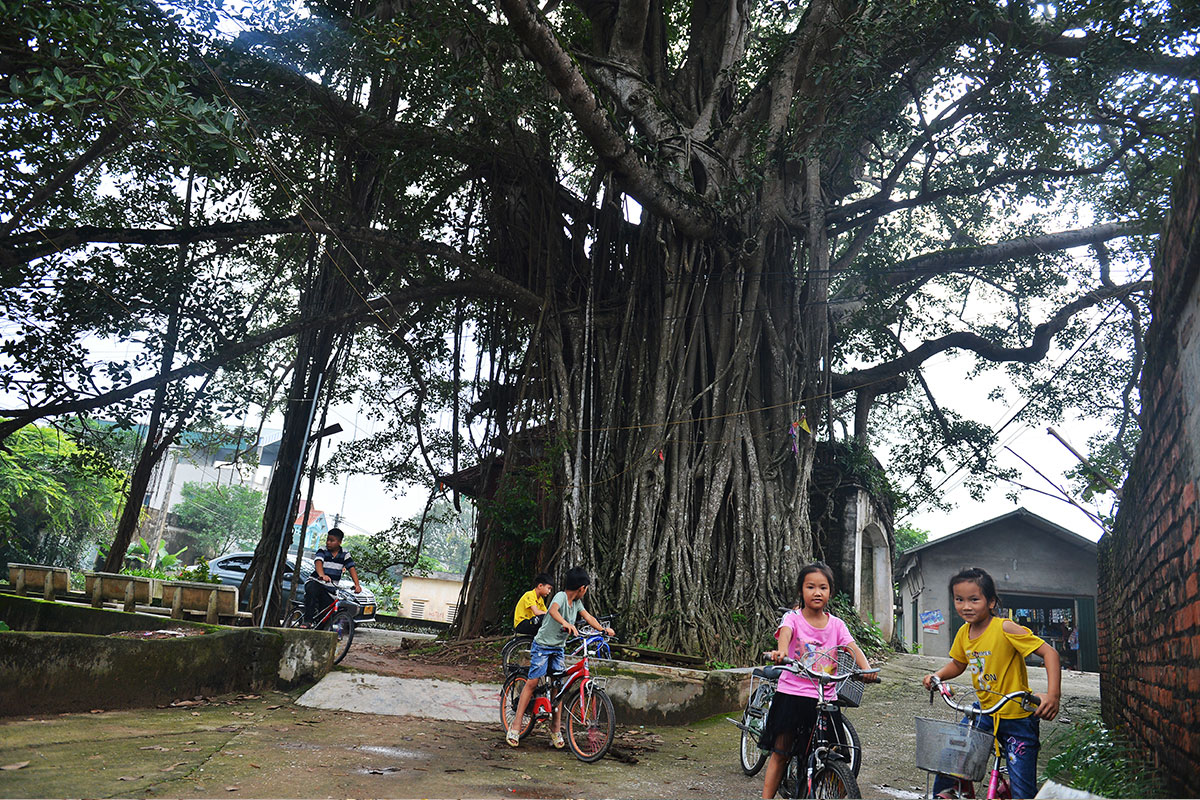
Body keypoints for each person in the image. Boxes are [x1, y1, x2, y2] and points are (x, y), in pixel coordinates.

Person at [922, 567, 1061, 799]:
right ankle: (952, 792)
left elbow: (1050, 654)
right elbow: (958, 663)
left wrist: (1052, 695)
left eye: (974, 599)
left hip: (1017, 717)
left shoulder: (1004, 628)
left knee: (1023, 791)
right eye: (959, 599)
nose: (966, 606)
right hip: (984, 712)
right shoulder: (963, 633)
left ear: (991, 602)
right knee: (951, 757)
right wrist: (937, 676)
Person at [760, 562, 878, 799]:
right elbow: (785, 634)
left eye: (823, 587)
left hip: (825, 697)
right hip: (792, 694)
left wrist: (866, 669)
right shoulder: (792, 618)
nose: (817, 592)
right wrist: (781, 652)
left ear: (830, 592)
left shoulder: (836, 624)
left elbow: (851, 646)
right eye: (810, 587)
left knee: (838, 755)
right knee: (781, 752)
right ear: (801, 591)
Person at [505, 566, 614, 749]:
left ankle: (555, 729)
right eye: (586, 588)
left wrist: (602, 630)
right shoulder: (560, 597)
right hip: (542, 646)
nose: (585, 592)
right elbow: (553, 611)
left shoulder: (577, 604)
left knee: (558, 687)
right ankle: (515, 726)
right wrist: (565, 623)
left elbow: (588, 617)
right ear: (581, 588)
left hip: (558, 649)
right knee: (532, 683)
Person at [304, 528, 363, 626]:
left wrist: (357, 585)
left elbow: (351, 568)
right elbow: (318, 562)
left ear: (339, 542)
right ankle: (307, 621)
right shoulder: (322, 550)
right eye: (327, 540)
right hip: (316, 582)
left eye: (332, 541)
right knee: (312, 590)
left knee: (325, 615)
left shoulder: (344, 554)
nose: (328, 543)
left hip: (330, 588)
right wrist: (322, 575)